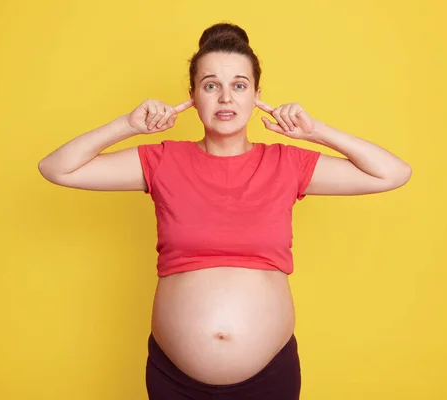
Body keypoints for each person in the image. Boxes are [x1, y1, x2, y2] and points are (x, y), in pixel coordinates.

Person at [38, 22, 412, 400]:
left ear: (256, 96)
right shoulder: (163, 160)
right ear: (193, 96)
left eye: (239, 85)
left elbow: (393, 173)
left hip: (270, 377)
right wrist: (128, 126)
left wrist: (315, 132)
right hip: (176, 381)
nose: (225, 99)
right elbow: (56, 168)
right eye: (211, 85)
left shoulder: (286, 163)